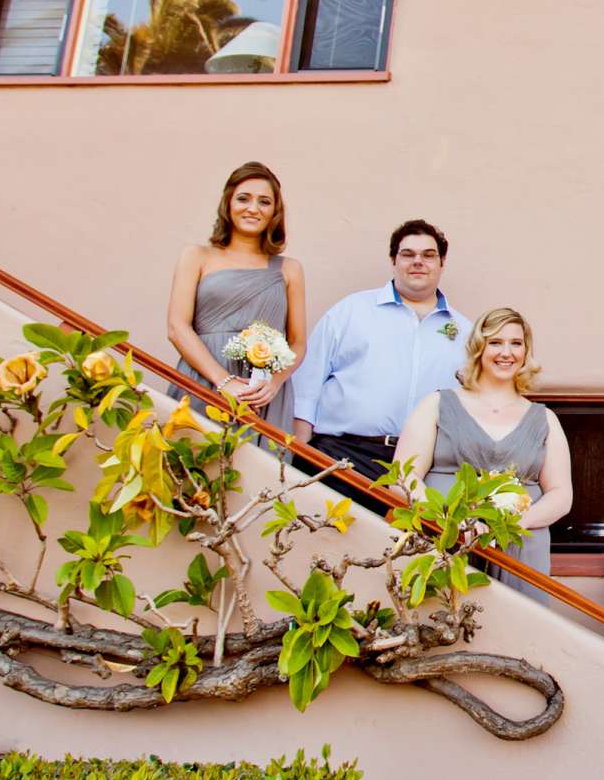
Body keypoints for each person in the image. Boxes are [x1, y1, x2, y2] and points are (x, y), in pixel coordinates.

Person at [393, 307, 573, 573]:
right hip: (444, 543)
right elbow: (402, 478)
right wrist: (449, 519)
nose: (506, 352)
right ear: (479, 348)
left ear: (525, 352)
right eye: (495, 342)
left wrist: (511, 524)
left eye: (516, 343)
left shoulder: (545, 419)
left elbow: (561, 495)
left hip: (520, 552)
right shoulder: (436, 405)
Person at [289, 220, 466, 483]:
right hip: (342, 457)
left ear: (442, 264)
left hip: (423, 469)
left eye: (429, 255)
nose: (418, 261)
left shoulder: (466, 332)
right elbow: (306, 385)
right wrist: (300, 456)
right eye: (408, 254)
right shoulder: (350, 311)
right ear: (394, 260)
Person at [166, 161, 306, 439]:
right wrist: (223, 380)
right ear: (228, 203)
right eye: (244, 198)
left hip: (262, 393)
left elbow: (298, 342)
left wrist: (274, 384)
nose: (253, 208)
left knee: (260, 477)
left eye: (264, 202)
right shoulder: (197, 256)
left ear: (274, 213)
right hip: (203, 379)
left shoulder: (290, 269)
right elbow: (176, 327)